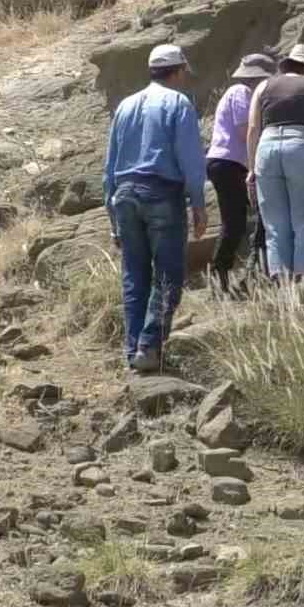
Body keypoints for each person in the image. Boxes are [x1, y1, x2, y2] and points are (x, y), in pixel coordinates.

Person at [103, 44, 208, 373]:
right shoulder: (178, 103)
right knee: (168, 275)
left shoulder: (125, 106)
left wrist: (112, 217)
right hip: (162, 193)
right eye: (183, 74)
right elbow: (190, 159)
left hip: (125, 194)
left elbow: (109, 166)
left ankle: (133, 350)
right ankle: (149, 345)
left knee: (134, 276)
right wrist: (198, 204)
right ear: (176, 72)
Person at [247, 44, 304, 282]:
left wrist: (251, 168)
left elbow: (253, 128)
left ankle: (283, 288)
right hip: (299, 143)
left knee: (275, 225)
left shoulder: (263, 86)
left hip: (266, 146)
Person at [205, 53, 276, 295]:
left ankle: (244, 274)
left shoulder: (242, 93)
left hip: (229, 163)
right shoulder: (241, 93)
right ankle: (218, 278)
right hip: (229, 163)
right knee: (234, 223)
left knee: (246, 220)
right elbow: (247, 131)